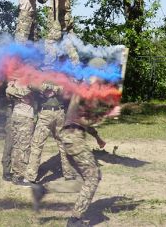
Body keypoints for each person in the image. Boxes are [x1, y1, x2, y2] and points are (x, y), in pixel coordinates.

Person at [31, 58, 121, 227]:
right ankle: (75, 220)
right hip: (74, 137)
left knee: (86, 179)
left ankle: (44, 190)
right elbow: (83, 118)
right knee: (93, 177)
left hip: (69, 136)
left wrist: (97, 136)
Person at [23, 78, 77, 184]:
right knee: (38, 145)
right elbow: (31, 84)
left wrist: (53, 89)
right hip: (46, 113)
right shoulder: (40, 74)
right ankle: (31, 177)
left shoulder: (61, 74)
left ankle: (68, 174)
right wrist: (45, 87)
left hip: (58, 114)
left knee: (59, 144)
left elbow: (68, 89)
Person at [42, 0, 83, 64]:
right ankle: (74, 65)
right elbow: (42, 0)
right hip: (58, 16)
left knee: (50, 41)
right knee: (66, 43)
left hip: (61, 17)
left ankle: (49, 64)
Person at [5, 76, 37, 185]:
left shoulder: (14, 82)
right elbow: (24, 93)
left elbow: (10, 92)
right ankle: (19, 176)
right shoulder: (25, 81)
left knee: (18, 146)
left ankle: (16, 174)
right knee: (23, 147)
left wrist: (11, 89)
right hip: (24, 117)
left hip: (17, 116)